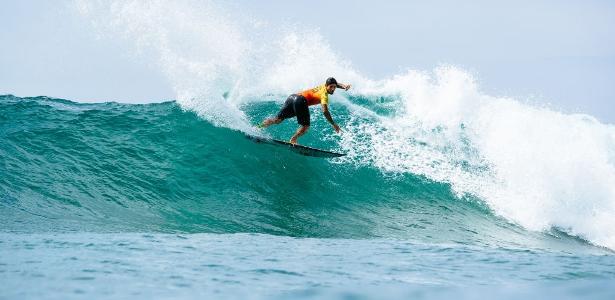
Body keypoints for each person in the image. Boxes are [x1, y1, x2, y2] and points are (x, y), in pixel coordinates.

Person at [258, 77, 351, 145]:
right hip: (301, 100)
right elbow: (325, 111)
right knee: (306, 126)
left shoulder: (324, 86)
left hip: (292, 97)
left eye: (334, 87)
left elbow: (336, 83)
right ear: (327, 86)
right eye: (331, 87)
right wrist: (333, 124)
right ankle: (293, 140)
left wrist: (344, 86)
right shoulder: (324, 95)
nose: (333, 89)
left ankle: (259, 127)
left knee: (277, 120)